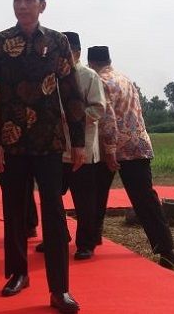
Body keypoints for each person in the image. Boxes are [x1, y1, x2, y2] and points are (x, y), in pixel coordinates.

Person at [0, 0, 85, 314]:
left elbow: (71, 93)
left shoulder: (57, 43)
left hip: (49, 140)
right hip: (10, 142)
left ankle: (60, 290)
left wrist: (79, 142)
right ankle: (18, 273)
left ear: (42, 4)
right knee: (13, 211)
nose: (22, 5)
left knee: (53, 214)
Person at [88, 46, 174, 269]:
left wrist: (109, 151)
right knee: (145, 200)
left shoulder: (100, 81)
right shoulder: (125, 79)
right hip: (138, 144)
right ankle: (166, 248)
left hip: (115, 147)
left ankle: (90, 240)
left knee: (95, 195)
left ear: (91, 63)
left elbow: (108, 120)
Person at [53, 32, 117, 260]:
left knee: (84, 201)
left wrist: (72, 118)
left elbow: (98, 109)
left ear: (77, 52)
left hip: (83, 149)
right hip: (56, 149)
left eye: (65, 51)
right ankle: (58, 236)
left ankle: (86, 243)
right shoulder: (52, 75)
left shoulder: (89, 76)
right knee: (52, 198)